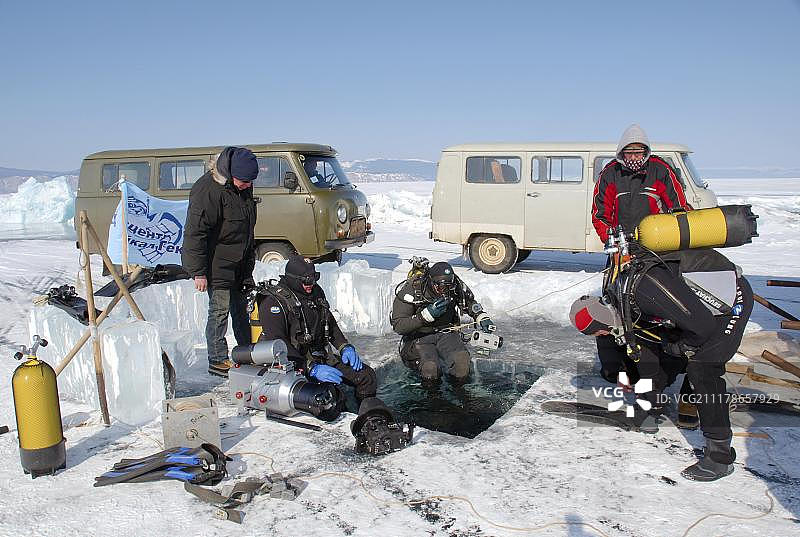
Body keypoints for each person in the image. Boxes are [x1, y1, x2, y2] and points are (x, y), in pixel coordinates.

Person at [570, 248, 753, 481]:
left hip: (729, 302)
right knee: (658, 349)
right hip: (693, 309)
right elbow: (647, 358)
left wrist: (679, 347)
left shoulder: (644, 293)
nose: (604, 335)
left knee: (702, 369)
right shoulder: (621, 306)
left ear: (603, 321)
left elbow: (702, 327)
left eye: (599, 332)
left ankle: (720, 456)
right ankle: (647, 412)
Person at [590, 124, 698, 425]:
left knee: (663, 310)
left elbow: (678, 208)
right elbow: (600, 212)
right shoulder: (611, 173)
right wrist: (612, 242)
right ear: (621, 153)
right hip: (623, 251)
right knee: (617, 308)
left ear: (647, 152)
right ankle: (620, 371)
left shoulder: (661, 170)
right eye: (630, 152)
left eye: (639, 151)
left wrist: (677, 240)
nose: (635, 156)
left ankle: (662, 374)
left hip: (659, 249)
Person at [256, 255, 377, 404]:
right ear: (293, 279)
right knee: (331, 398)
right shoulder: (273, 303)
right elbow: (279, 345)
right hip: (292, 365)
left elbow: (329, 322)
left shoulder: (315, 292)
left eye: (314, 278)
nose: (311, 284)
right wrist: (310, 368)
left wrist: (344, 346)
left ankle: (367, 415)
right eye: (306, 281)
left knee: (367, 376)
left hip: (319, 357)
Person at [182, 146, 258, 377]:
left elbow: (245, 227)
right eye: (243, 181)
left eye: (249, 181)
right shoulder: (207, 190)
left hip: (240, 263)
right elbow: (195, 233)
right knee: (219, 312)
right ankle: (217, 359)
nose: (247, 185)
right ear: (230, 172)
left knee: (241, 310)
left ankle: (246, 353)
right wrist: (199, 272)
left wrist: (247, 264)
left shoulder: (241, 185)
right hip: (216, 265)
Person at [391, 261, 494, 383]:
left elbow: (470, 302)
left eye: (448, 286)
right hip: (419, 337)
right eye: (440, 286)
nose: (444, 290)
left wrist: (481, 316)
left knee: (461, 362)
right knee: (430, 368)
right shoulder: (412, 290)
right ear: (430, 281)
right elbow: (398, 325)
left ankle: (460, 393)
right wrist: (424, 316)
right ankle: (432, 397)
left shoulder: (455, 285)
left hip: (446, 333)